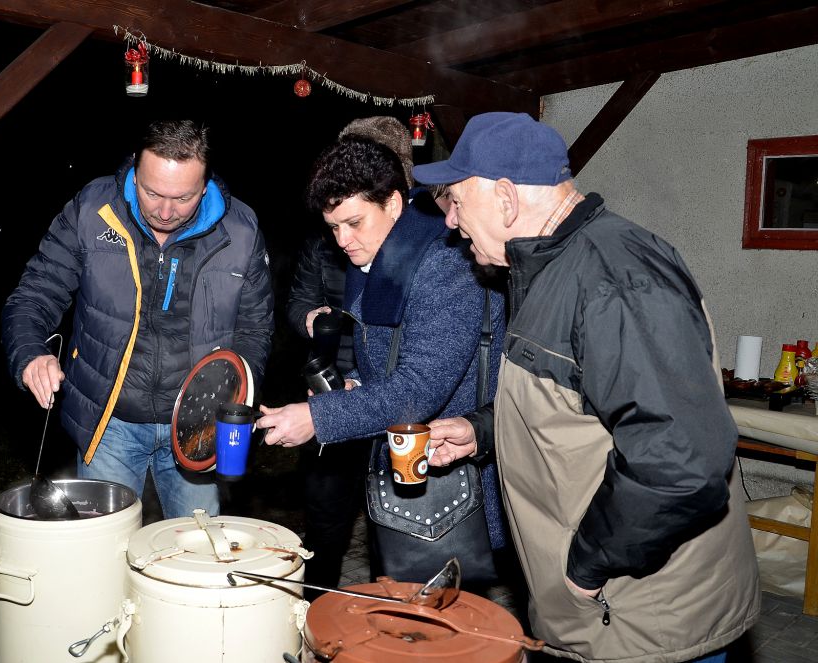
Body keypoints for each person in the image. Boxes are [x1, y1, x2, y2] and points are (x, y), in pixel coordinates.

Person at [415, 112, 759, 662]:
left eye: (456, 201)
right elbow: (577, 401)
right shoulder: (550, 267)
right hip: (606, 610)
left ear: (505, 198)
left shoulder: (614, 280)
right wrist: (483, 430)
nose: (451, 222)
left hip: (643, 616)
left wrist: (586, 568)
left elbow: (681, 462)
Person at [258, 135, 506, 584]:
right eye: (333, 227)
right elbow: (385, 355)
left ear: (393, 203)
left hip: (449, 479)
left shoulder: (442, 264)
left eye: (353, 222)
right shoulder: (381, 256)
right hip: (402, 468)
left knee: (441, 616)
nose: (342, 240)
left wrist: (319, 417)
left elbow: (420, 388)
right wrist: (355, 380)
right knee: (394, 601)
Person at [2, 120, 274, 519]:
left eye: (182, 198)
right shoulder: (93, 211)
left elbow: (255, 327)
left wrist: (237, 395)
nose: (165, 211)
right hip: (110, 423)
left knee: (195, 547)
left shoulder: (241, 231)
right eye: (152, 193)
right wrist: (30, 353)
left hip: (197, 428)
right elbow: (34, 294)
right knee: (106, 546)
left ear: (205, 185)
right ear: (134, 170)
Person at [286, 116, 415, 593]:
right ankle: (315, 610)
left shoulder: (427, 248)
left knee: (395, 529)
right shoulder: (327, 240)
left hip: (397, 402)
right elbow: (297, 299)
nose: (345, 237)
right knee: (325, 525)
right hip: (333, 388)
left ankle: (385, 613)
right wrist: (310, 318)